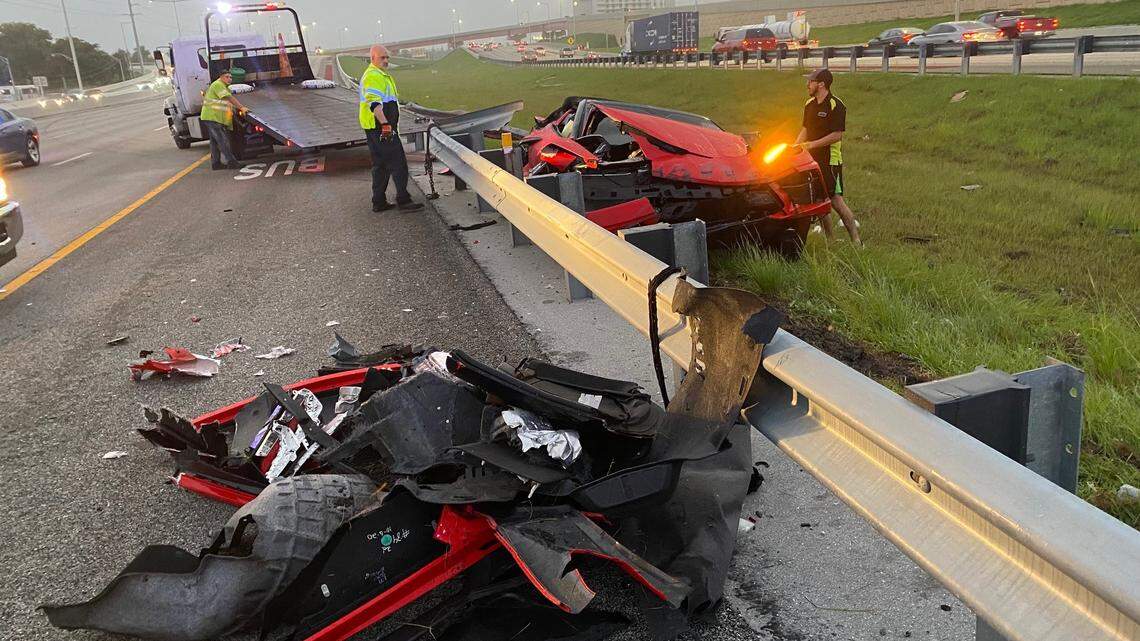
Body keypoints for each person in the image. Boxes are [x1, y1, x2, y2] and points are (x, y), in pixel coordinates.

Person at [795, 68, 862, 246]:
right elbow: (805, 129)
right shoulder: (809, 104)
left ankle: (857, 242)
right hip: (810, 160)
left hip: (830, 160)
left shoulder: (836, 105)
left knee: (835, 201)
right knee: (819, 201)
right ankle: (830, 240)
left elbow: (837, 135)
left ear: (821, 84)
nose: (807, 84)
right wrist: (795, 147)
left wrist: (812, 145)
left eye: (811, 81)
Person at [359, 45, 423, 213]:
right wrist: (386, 125)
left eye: (387, 57)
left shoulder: (380, 75)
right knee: (398, 163)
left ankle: (378, 201)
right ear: (373, 58)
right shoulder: (374, 76)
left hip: (374, 128)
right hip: (381, 128)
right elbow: (375, 104)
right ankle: (403, 200)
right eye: (382, 57)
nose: (386, 60)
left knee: (380, 165)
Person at [201, 69, 246, 170]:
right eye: (227, 77)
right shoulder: (218, 85)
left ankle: (216, 163)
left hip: (212, 117)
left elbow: (226, 102)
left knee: (214, 142)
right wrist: (241, 107)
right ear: (221, 77)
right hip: (213, 117)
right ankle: (232, 162)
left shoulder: (223, 86)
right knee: (222, 141)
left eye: (230, 77)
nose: (229, 79)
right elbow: (229, 98)